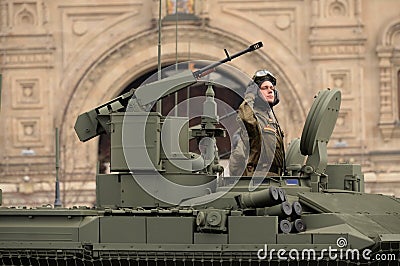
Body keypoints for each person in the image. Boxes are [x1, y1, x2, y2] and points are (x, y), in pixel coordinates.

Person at [229, 69, 285, 177]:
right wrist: (250, 95)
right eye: (265, 88)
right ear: (255, 93)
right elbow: (246, 118)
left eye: (272, 88)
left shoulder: (270, 119)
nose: (270, 91)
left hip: (275, 178)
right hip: (259, 177)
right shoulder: (255, 117)